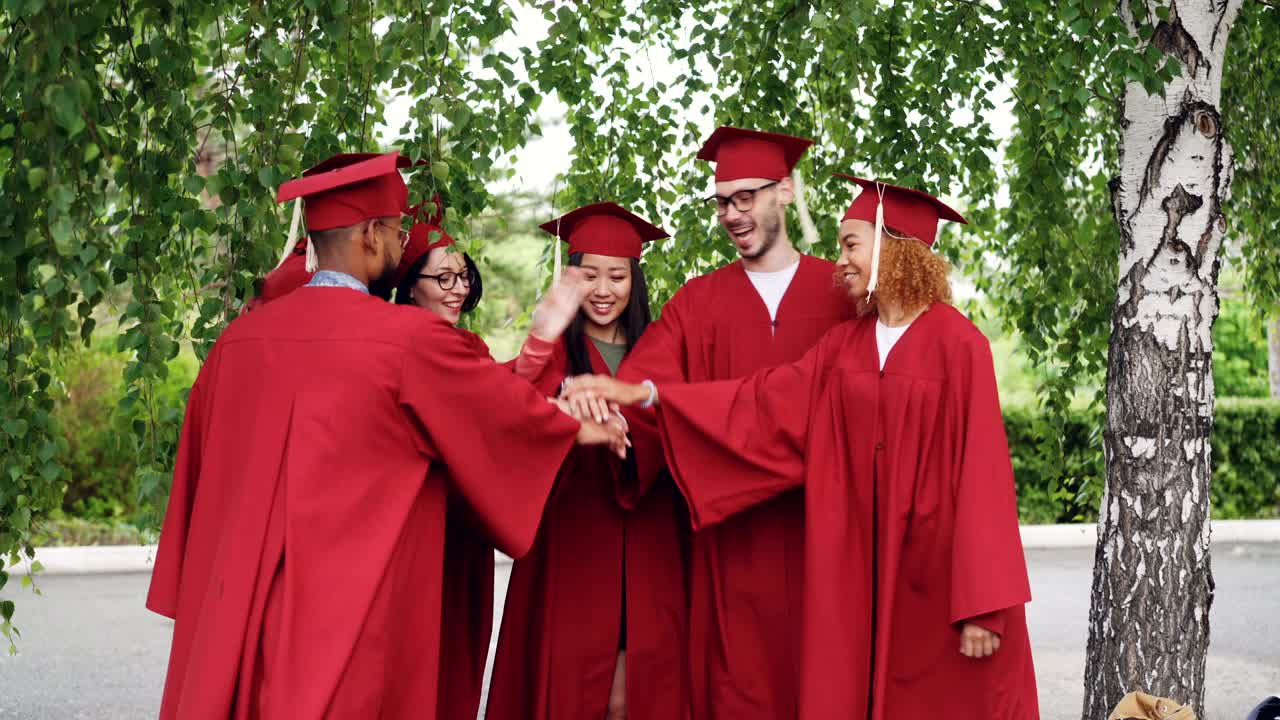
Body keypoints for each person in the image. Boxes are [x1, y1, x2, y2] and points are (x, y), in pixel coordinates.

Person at [145, 151, 626, 720]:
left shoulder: (238, 344)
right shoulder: (406, 341)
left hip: (240, 608)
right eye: (397, 230)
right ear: (372, 235)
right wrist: (574, 424)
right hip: (354, 615)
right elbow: (498, 416)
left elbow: (199, 478)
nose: (402, 244)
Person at [566, 175, 1039, 719]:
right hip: (858, 566)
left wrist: (983, 605)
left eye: (852, 245)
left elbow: (984, 477)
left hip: (934, 576)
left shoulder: (959, 345)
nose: (840, 261)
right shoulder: (844, 346)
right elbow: (760, 404)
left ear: (894, 248)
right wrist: (644, 393)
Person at [602, 126, 852, 719]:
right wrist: (609, 414)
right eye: (722, 201)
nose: (732, 214)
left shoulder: (842, 293)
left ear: (786, 191)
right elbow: (643, 391)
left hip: (828, 539)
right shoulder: (697, 302)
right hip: (732, 551)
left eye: (747, 197)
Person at [485, 203, 689, 720]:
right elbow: (504, 408)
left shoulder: (662, 347)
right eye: (590, 275)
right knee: (575, 690)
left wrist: (633, 426)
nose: (604, 290)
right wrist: (545, 354)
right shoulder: (555, 352)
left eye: (617, 276)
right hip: (574, 537)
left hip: (648, 538)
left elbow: (685, 414)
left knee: (634, 692)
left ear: (634, 280)